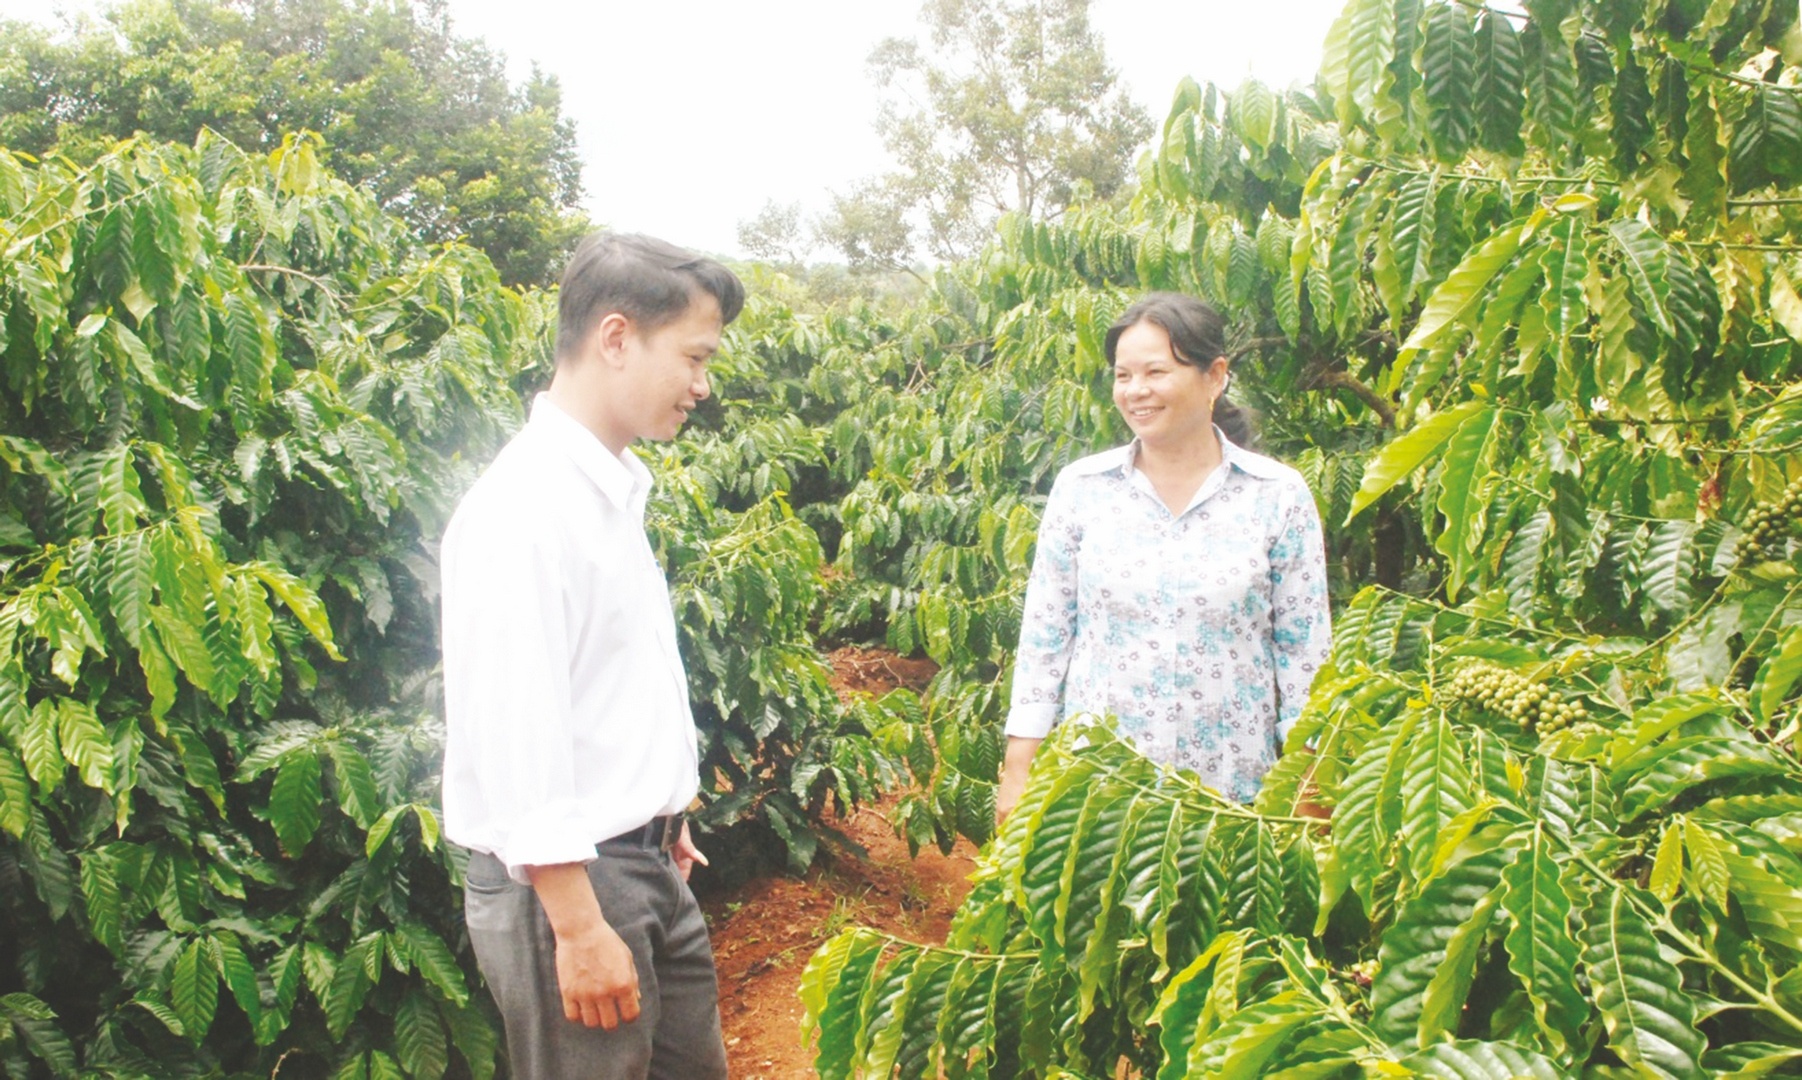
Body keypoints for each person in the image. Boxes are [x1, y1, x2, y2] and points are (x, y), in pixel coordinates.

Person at [439, 232, 743, 1080]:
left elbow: (605, 684)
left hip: (643, 864)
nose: (702, 385)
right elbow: (515, 727)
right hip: (569, 888)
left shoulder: (608, 490)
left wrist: (660, 817)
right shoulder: (523, 508)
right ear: (616, 338)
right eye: (693, 357)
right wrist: (576, 924)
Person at [997, 293, 1331, 815]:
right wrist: (1019, 766)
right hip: (1100, 796)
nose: (1136, 391)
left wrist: (1310, 775)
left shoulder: (1277, 495)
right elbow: (1046, 636)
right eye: (1122, 375)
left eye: (1156, 371)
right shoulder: (1082, 489)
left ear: (1214, 376)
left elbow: (1304, 652)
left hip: (1232, 797)